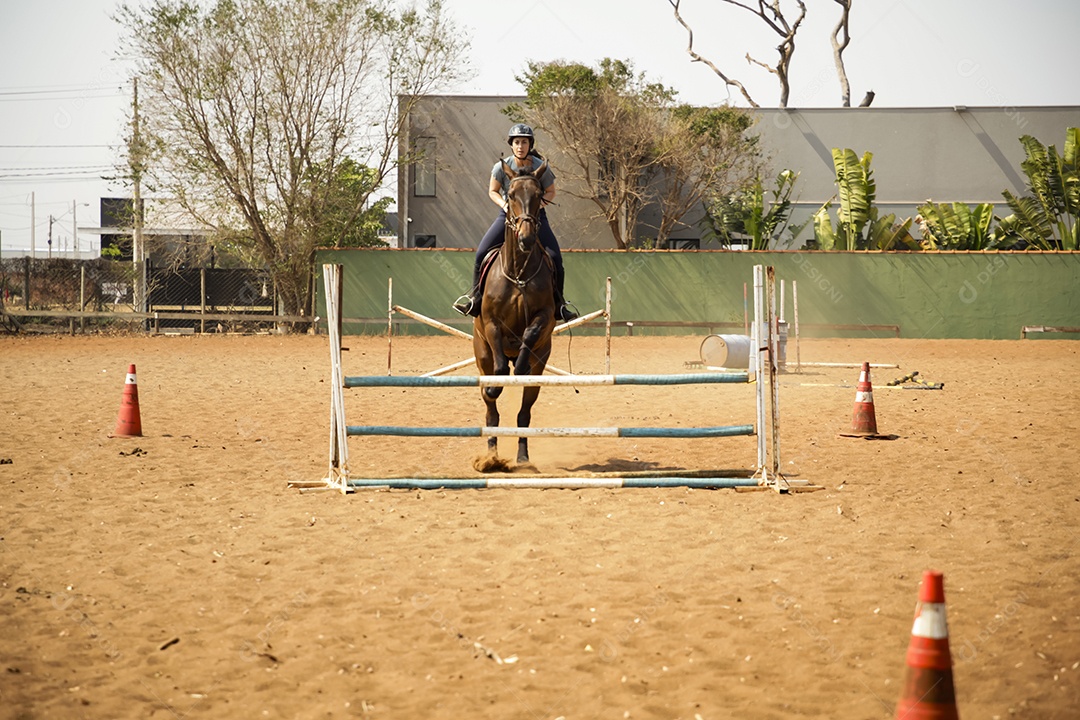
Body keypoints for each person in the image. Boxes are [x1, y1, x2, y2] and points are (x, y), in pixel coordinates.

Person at [453, 123, 577, 321]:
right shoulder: (501, 167)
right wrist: (505, 206)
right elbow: (492, 191)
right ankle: (475, 299)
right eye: (517, 142)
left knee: (555, 258)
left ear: (530, 144)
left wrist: (536, 208)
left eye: (524, 142)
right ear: (511, 145)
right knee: (481, 253)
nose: (520, 146)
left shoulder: (540, 166)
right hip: (508, 216)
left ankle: (560, 305)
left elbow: (552, 191)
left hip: (536, 218)